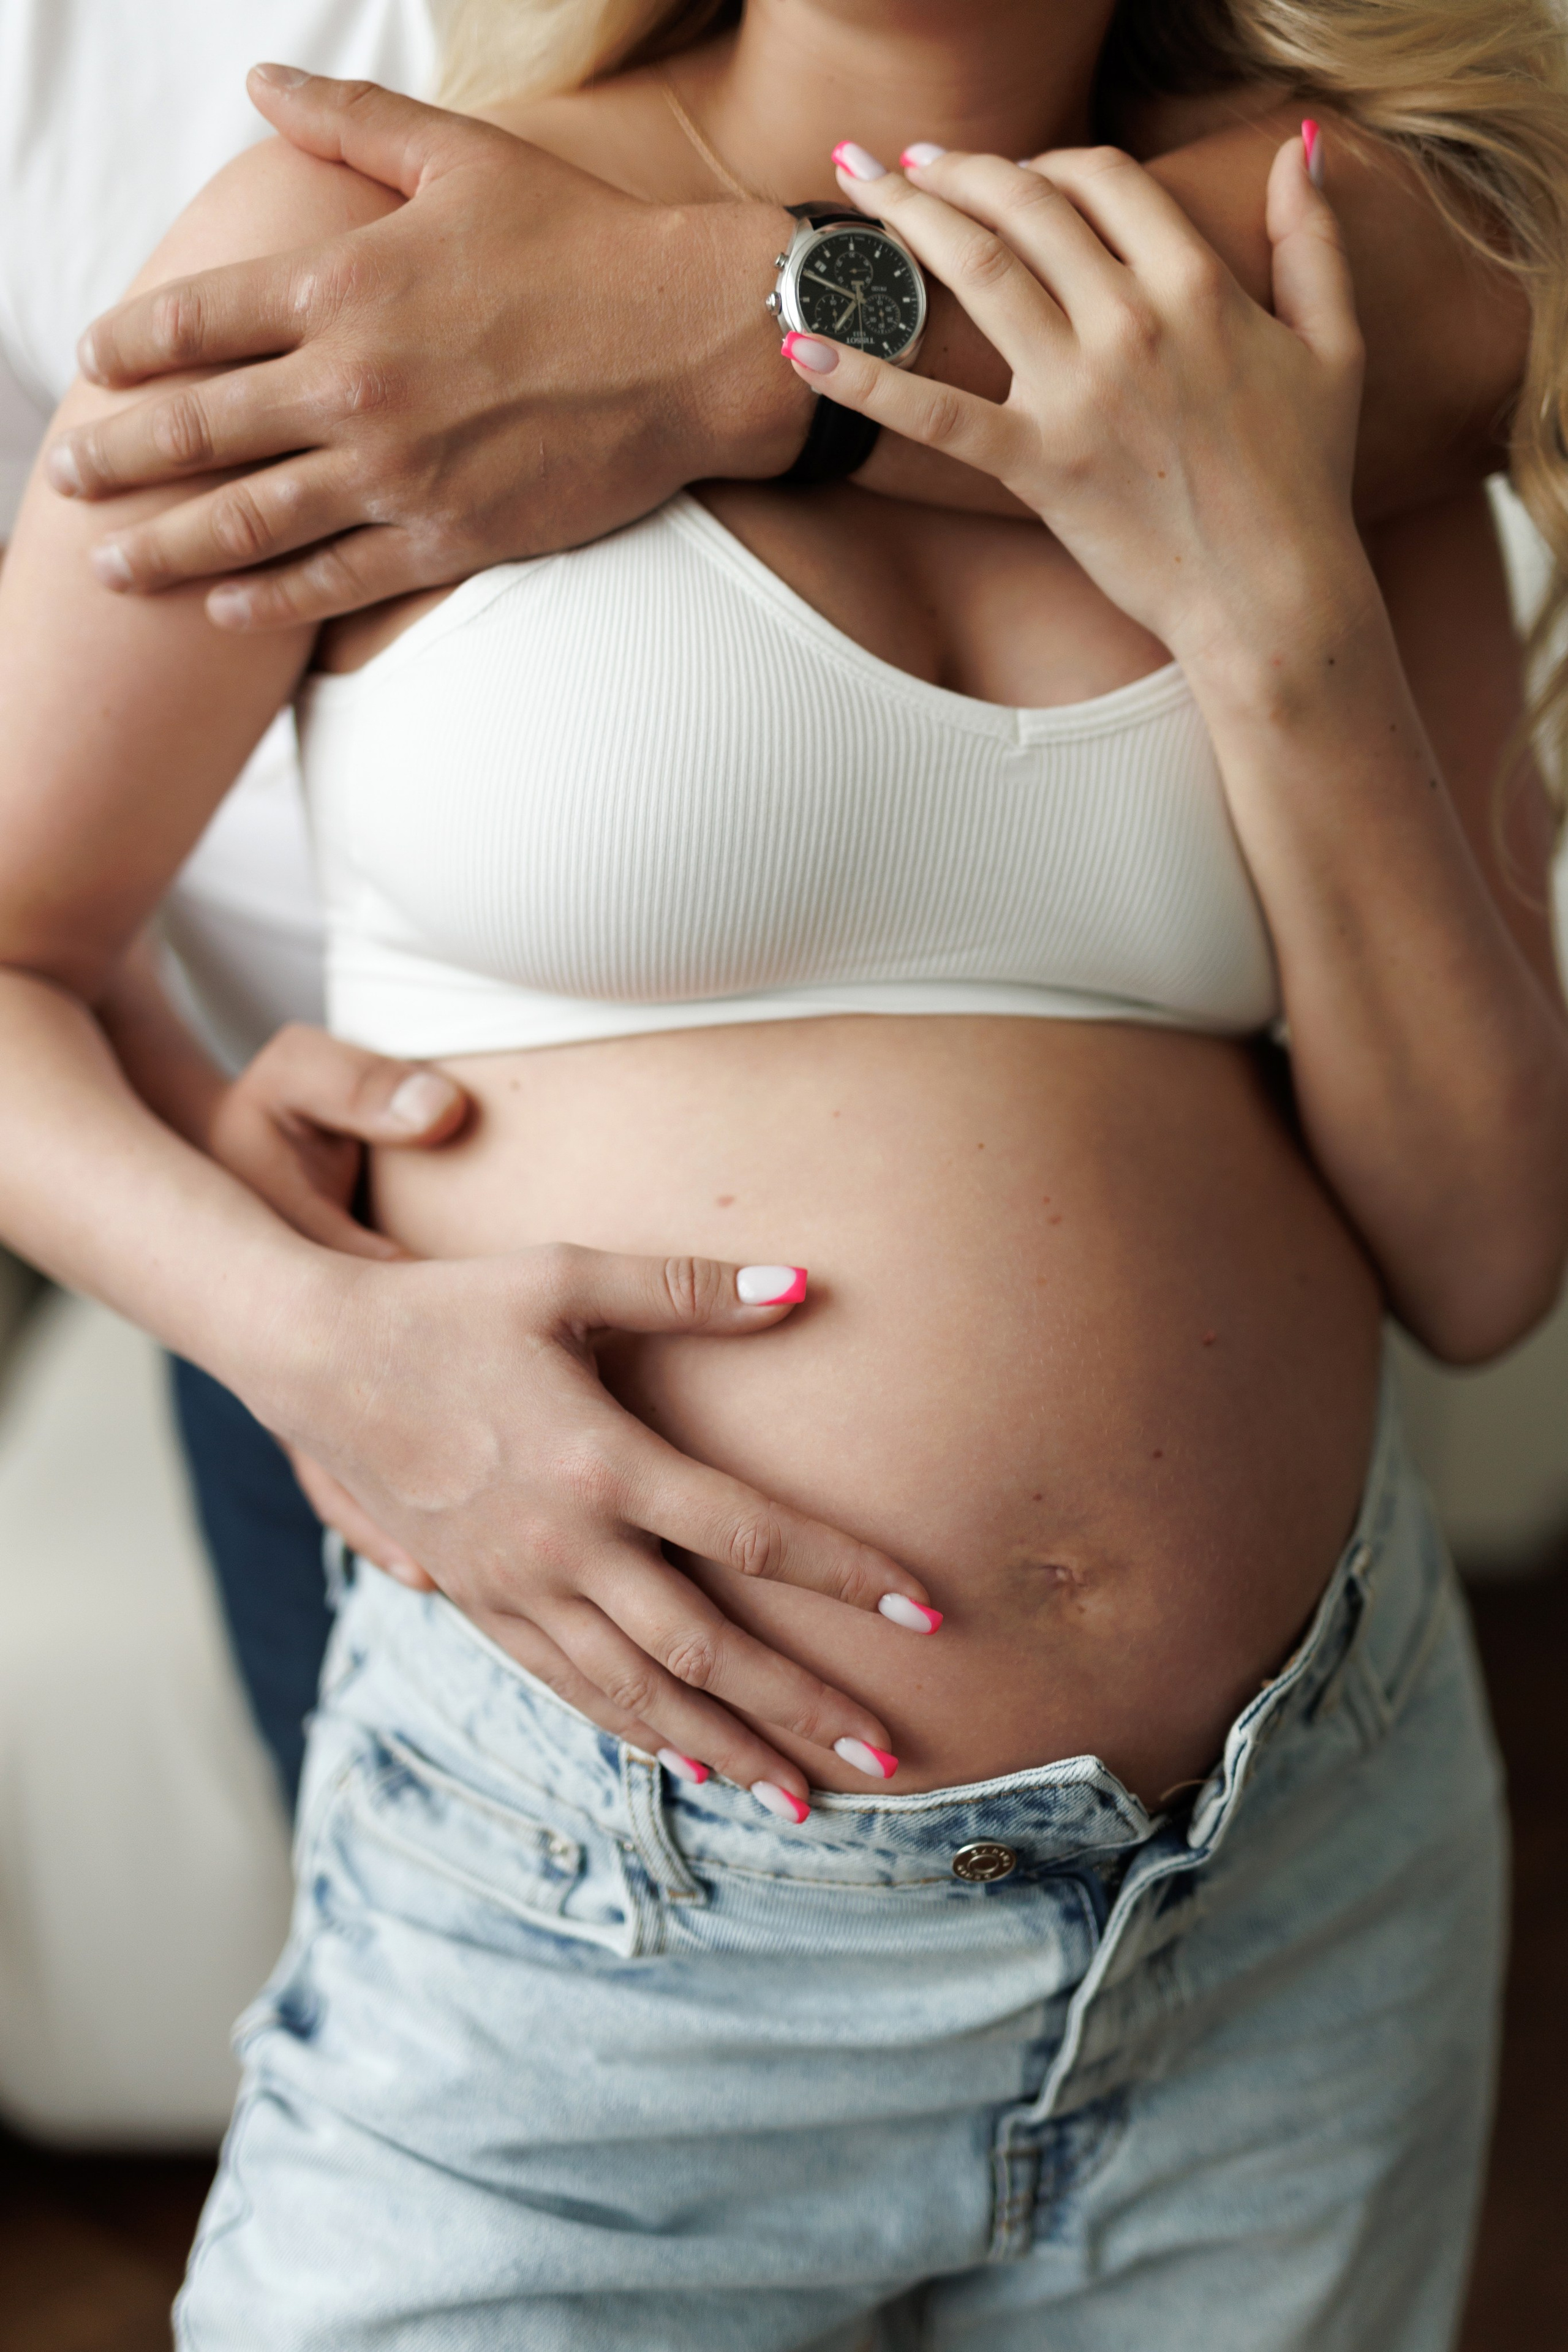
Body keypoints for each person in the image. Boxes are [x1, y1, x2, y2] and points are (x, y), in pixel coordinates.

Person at [4, 1, 1568, 2341]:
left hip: (1294, 1900)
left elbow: (1486, 1254)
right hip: (588, 1920)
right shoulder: (381, 240)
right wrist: (303, 1338)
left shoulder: (1293, 308)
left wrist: (1273, 610)